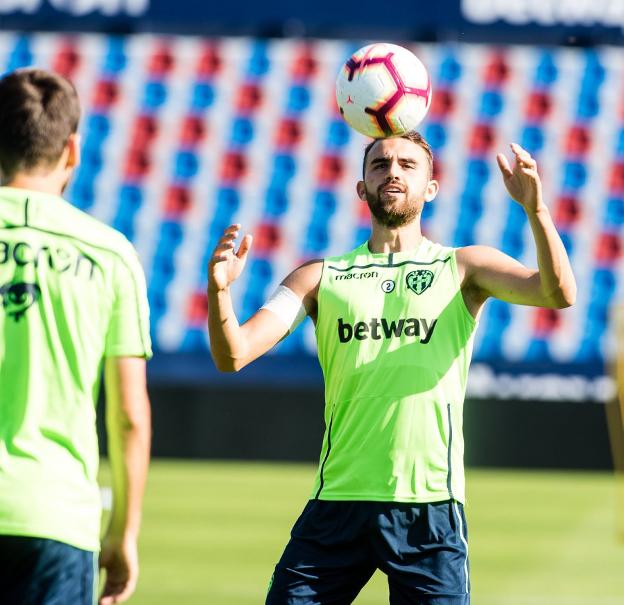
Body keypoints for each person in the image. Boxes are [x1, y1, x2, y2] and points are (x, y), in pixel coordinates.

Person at [207, 131, 576, 604]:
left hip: (429, 509)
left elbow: (557, 293)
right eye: (380, 165)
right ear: (362, 188)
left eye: (407, 164)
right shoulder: (318, 276)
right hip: (337, 504)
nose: (393, 172)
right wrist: (219, 292)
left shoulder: (463, 267)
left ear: (431, 187)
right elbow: (232, 354)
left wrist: (536, 210)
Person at [0, 68, 152, 605]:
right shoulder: (110, 254)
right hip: (56, 516)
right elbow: (130, 415)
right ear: (73, 151)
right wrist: (123, 533)